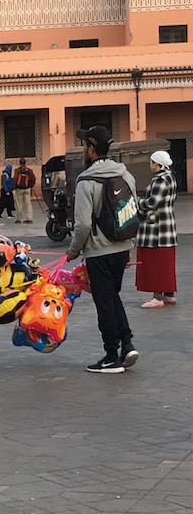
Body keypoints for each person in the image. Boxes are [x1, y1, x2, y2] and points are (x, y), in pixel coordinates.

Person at [66, 125, 138, 374]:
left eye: (85, 144)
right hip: (121, 248)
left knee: (104, 302)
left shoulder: (86, 181)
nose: (83, 149)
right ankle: (127, 345)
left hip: (99, 251)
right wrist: (129, 247)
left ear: (92, 148)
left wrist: (73, 250)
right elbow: (132, 213)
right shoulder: (125, 174)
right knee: (113, 297)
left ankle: (111, 356)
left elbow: (83, 223)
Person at [135, 150, 178, 308]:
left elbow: (153, 202)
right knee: (165, 262)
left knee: (156, 263)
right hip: (167, 226)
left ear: (158, 164)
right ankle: (168, 294)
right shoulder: (170, 177)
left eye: (152, 162)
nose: (150, 165)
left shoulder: (161, 180)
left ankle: (157, 297)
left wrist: (138, 203)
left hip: (157, 229)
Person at [13, 157, 36, 223]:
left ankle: (19, 219)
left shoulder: (17, 170)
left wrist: (14, 187)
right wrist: (30, 186)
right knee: (28, 204)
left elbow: (15, 179)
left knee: (19, 204)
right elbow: (33, 179)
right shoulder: (29, 170)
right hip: (27, 189)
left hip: (19, 189)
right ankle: (29, 218)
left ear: (19, 163)